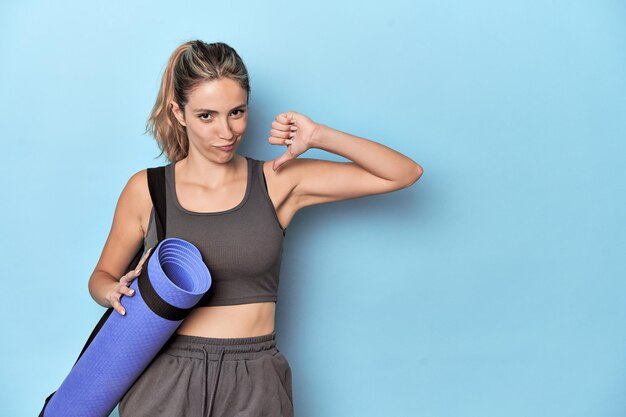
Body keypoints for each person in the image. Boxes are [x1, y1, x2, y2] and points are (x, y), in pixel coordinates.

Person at [87, 40, 423, 417]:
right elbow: (100, 277)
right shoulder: (147, 189)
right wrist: (111, 291)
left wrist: (318, 137)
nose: (226, 131)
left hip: (254, 376)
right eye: (206, 116)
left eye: (237, 112)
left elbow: (404, 173)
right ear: (178, 113)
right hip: (165, 375)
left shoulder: (277, 181)